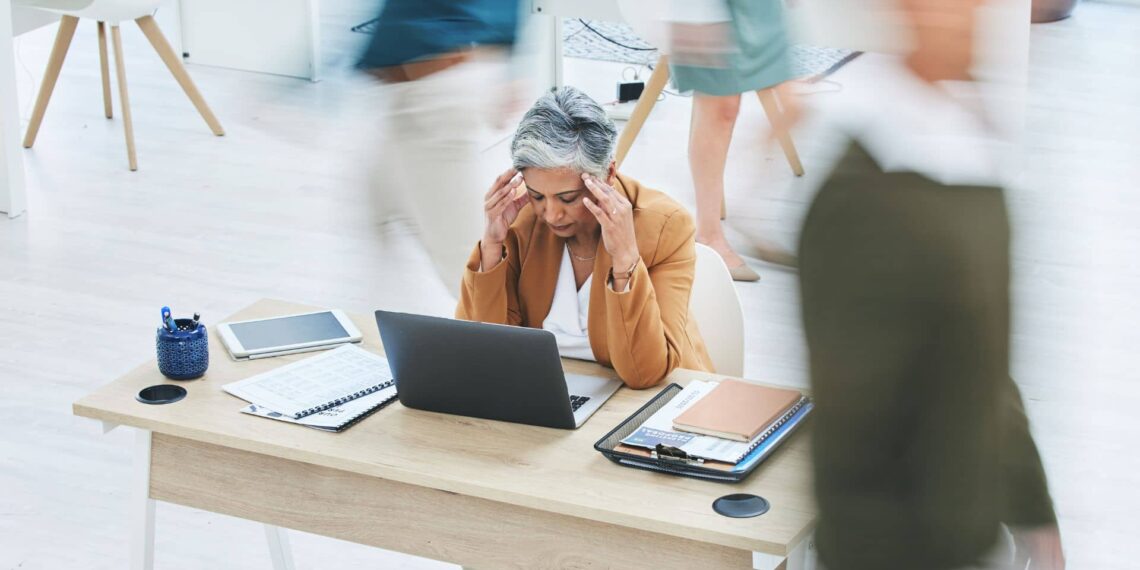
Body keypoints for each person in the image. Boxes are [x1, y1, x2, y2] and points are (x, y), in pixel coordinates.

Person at [798, 1, 1064, 569]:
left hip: (967, 532)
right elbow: (853, 408)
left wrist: (1035, 512)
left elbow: (984, 360)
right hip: (896, 545)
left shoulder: (969, 148)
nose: (968, 16)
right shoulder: (862, 189)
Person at [456, 87, 714, 389]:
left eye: (568, 198)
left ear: (608, 174)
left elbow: (644, 373)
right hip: (544, 391)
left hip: (648, 401)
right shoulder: (521, 219)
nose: (551, 214)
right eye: (538, 195)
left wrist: (625, 260)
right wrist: (491, 247)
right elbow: (486, 353)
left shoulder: (664, 227)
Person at [359, 0, 521, 298]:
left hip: (436, 95)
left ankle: (515, 338)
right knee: (373, 222)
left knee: (470, 270)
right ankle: (394, 335)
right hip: (405, 95)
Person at [670, 0, 799, 281]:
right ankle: (709, 234)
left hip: (760, 10)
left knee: (795, 104)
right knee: (720, 109)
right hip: (708, 8)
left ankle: (746, 207)